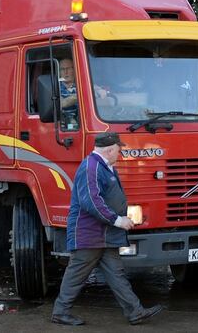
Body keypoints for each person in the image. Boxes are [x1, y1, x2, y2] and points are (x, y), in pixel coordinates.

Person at [51, 132, 163, 326]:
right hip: (89, 235)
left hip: (104, 235)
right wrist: (118, 220)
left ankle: (135, 312)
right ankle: (60, 312)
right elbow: (91, 202)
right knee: (76, 274)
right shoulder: (91, 167)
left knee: (116, 274)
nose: (120, 154)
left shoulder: (105, 167)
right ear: (110, 150)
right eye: (119, 150)